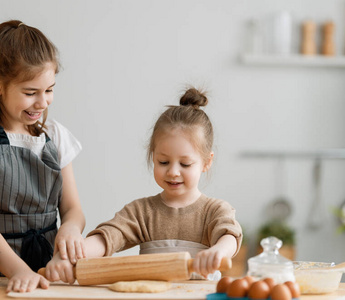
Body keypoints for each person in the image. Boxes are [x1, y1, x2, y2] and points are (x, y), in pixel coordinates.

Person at [44, 87, 243, 284]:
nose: (173, 171)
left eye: (185, 164)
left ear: (207, 162)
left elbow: (230, 235)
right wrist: (69, 256)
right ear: (152, 157)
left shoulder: (215, 210)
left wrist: (218, 251)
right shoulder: (142, 212)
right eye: (163, 162)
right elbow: (109, 237)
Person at [0, 20, 85, 292]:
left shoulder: (55, 136)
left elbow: (72, 209)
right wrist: (18, 270)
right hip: (1, 273)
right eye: (30, 93)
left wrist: (71, 228)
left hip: (53, 271)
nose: (42, 103)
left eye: (49, 90)